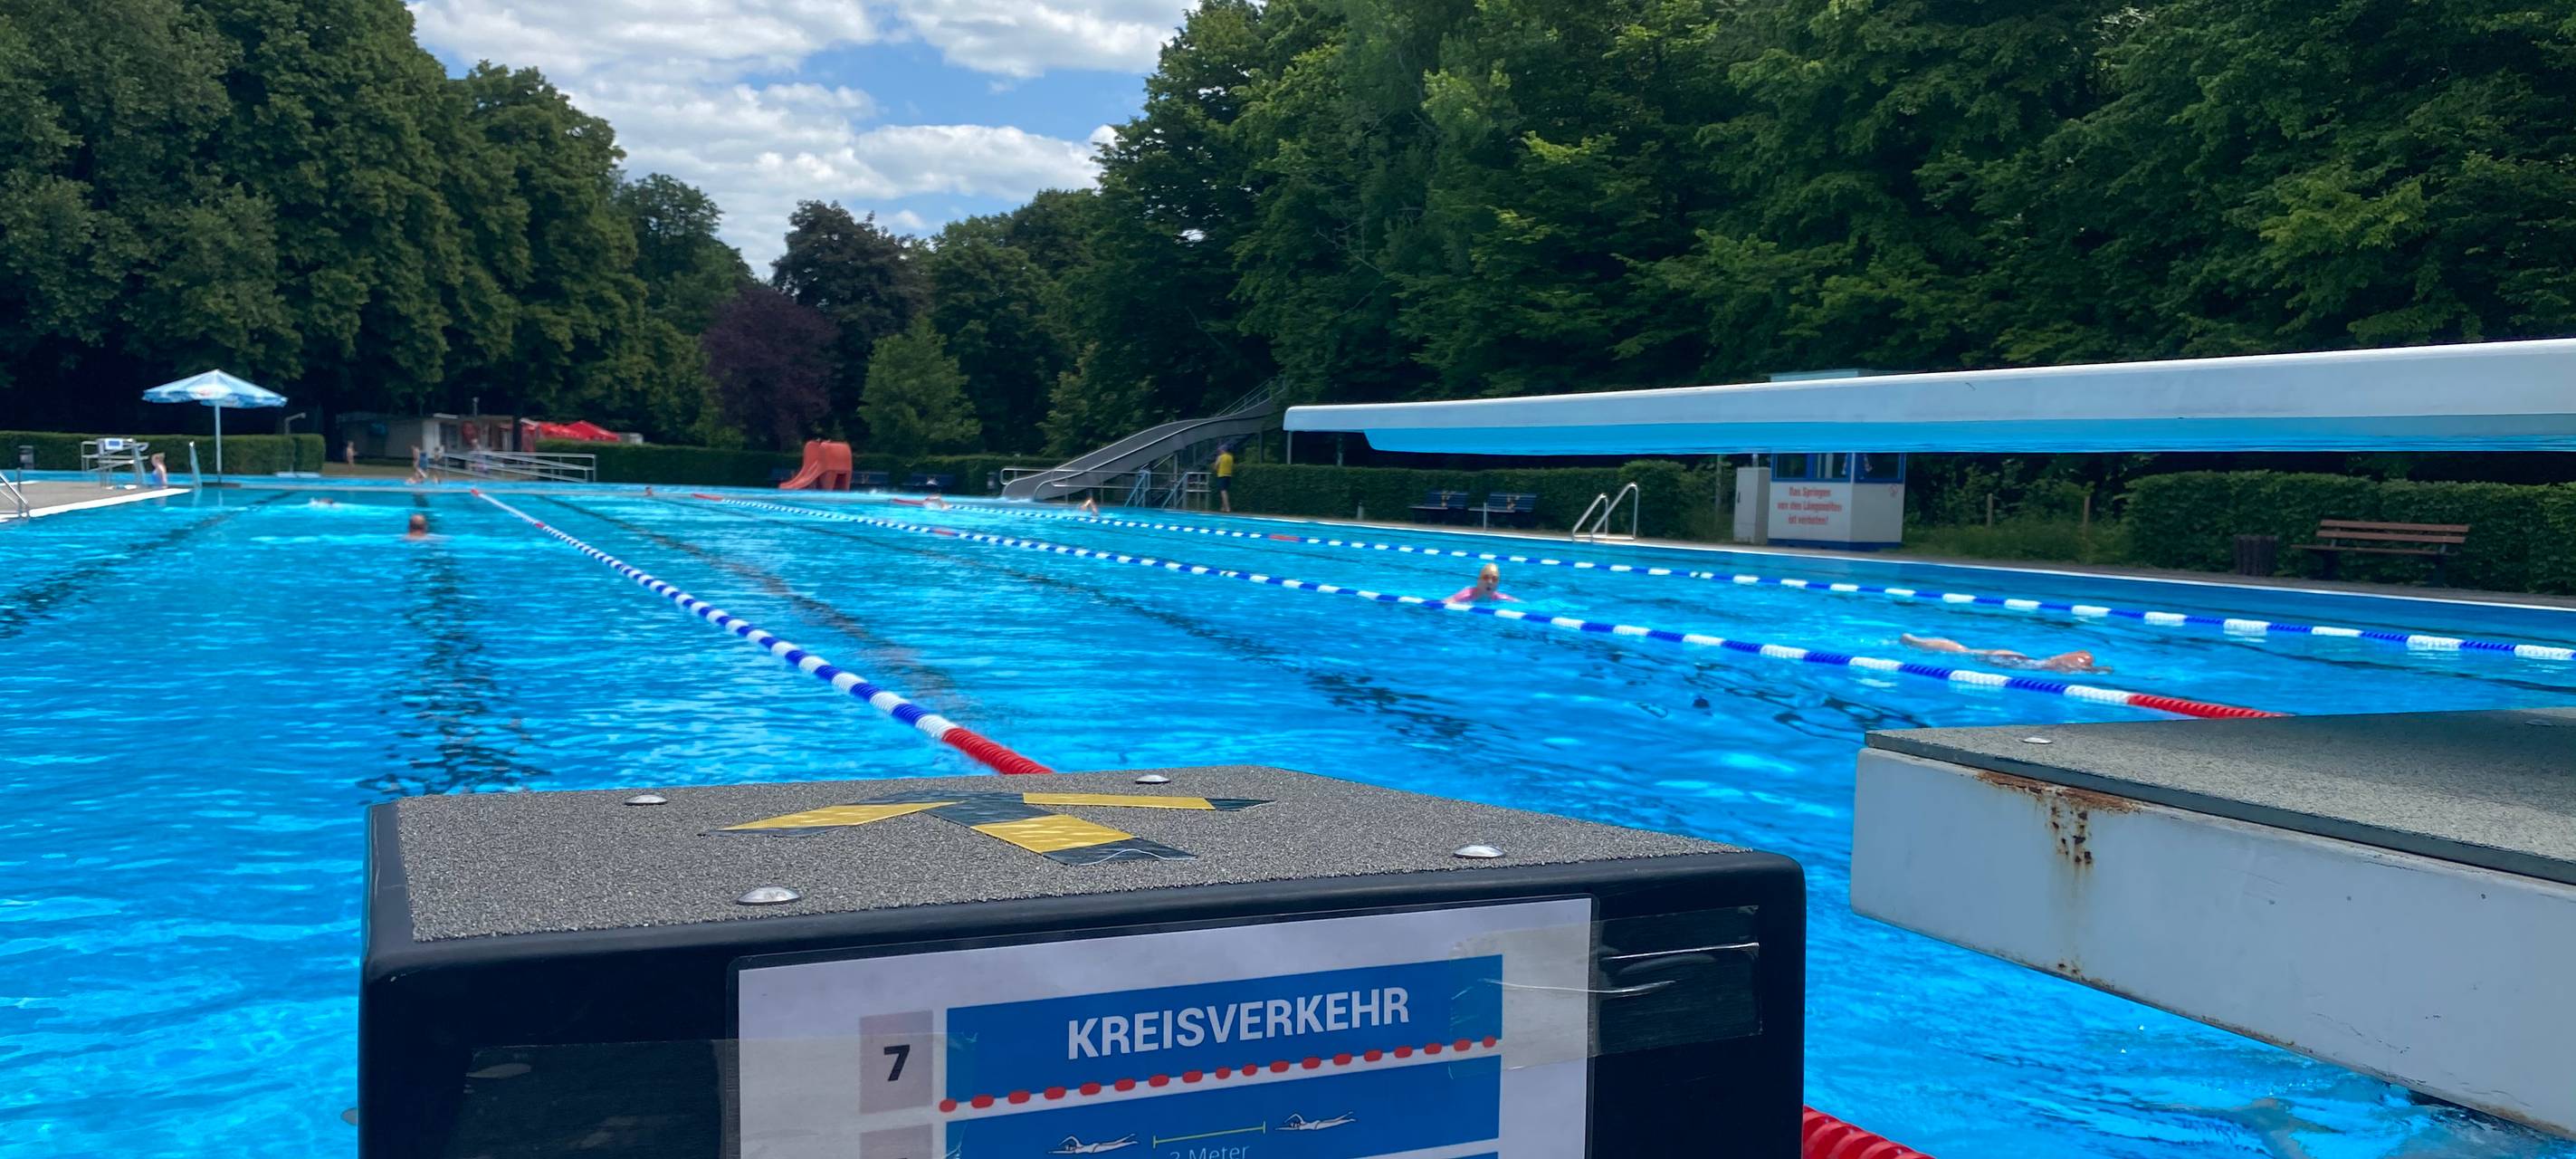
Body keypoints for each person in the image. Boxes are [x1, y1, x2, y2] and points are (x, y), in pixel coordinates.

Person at [1901, 633, 2107, 674]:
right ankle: (1916, 641)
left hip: (2015, 658)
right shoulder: (2070, 665)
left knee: (1962, 651)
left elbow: (2084, 655)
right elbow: (2083, 656)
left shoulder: (2070, 662)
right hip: (2010, 659)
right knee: (1961, 651)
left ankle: (1918, 641)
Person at [1445, 563, 1519, 603]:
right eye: (1486, 577)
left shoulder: (1499, 597)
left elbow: (1523, 605)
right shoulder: (1466, 595)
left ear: (1497, 584)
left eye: (1494, 579)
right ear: (1478, 581)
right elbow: (1442, 604)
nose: (1490, 582)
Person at [1212, 444, 1236, 512]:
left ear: (1223, 450)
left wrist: (1216, 464)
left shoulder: (1220, 457)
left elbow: (1215, 467)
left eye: (1220, 450)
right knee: (1225, 491)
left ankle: (1227, 508)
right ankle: (1223, 507)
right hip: (1229, 475)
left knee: (1223, 492)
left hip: (1222, 475)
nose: (1219, 452)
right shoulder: (1230, 457)